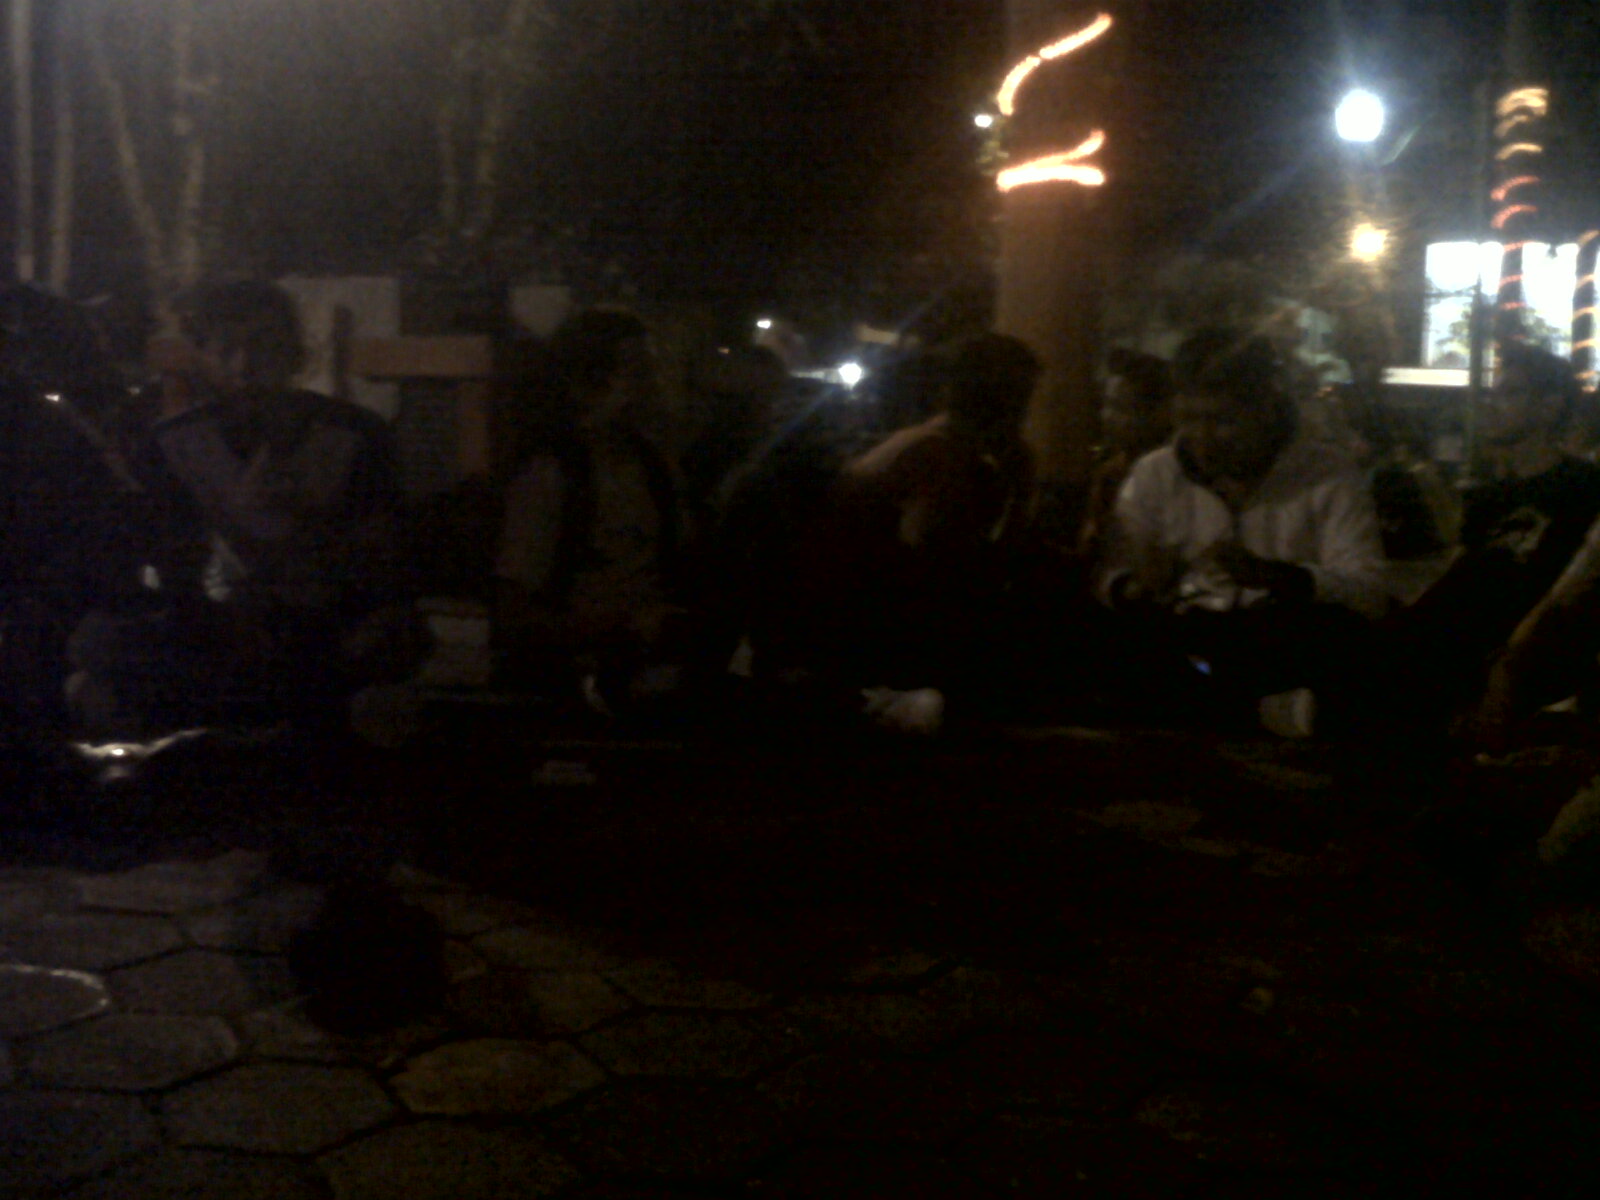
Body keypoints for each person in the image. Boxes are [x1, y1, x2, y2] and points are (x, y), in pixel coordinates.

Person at [68, 280, 427, 737]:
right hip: (219, 625)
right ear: (203, 356)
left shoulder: (355, 435)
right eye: (226, 350)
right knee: (99, 646)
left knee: (390, 641)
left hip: (327, 620)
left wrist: (309, 524)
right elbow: (169, 564)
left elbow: (386, 558)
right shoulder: (175, 444)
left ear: (295, 353)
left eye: (264, 347)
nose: (245, 366)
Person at [1097, 328, 1388, 731]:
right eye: (1189, 419)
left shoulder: (1325, 474)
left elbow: (1369, 590)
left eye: (1222, 421)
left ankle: (1218, 710)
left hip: (1275, 641)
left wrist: (1276, 577)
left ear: (1265, 409)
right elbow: (1109, 577)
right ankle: (1258, 713)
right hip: (1186, 636)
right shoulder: (1155, 473)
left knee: (1340, 637)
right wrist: (1136, 586)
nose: (1202, 438)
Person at [749, 332, 1041, 726]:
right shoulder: (939, 459)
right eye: (1021, 399)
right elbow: (940, 583)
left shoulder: (919, 444)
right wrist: (1020, 493)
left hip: (836, 644)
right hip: (858, 664)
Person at [490, 308, 685, 713]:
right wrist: (619, 627)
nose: (656, 385)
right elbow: (515, 612)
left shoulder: (652, 465)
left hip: (646, 676)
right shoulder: (552, 472)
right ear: (588, 383)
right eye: (639, 372)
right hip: (574, 688)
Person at [1078, 347, 1173, 560]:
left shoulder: (1173, 475)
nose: (1107, 416)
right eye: (1106, 404)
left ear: (1160, 413)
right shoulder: (1111, 471)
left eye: (1120, 408)